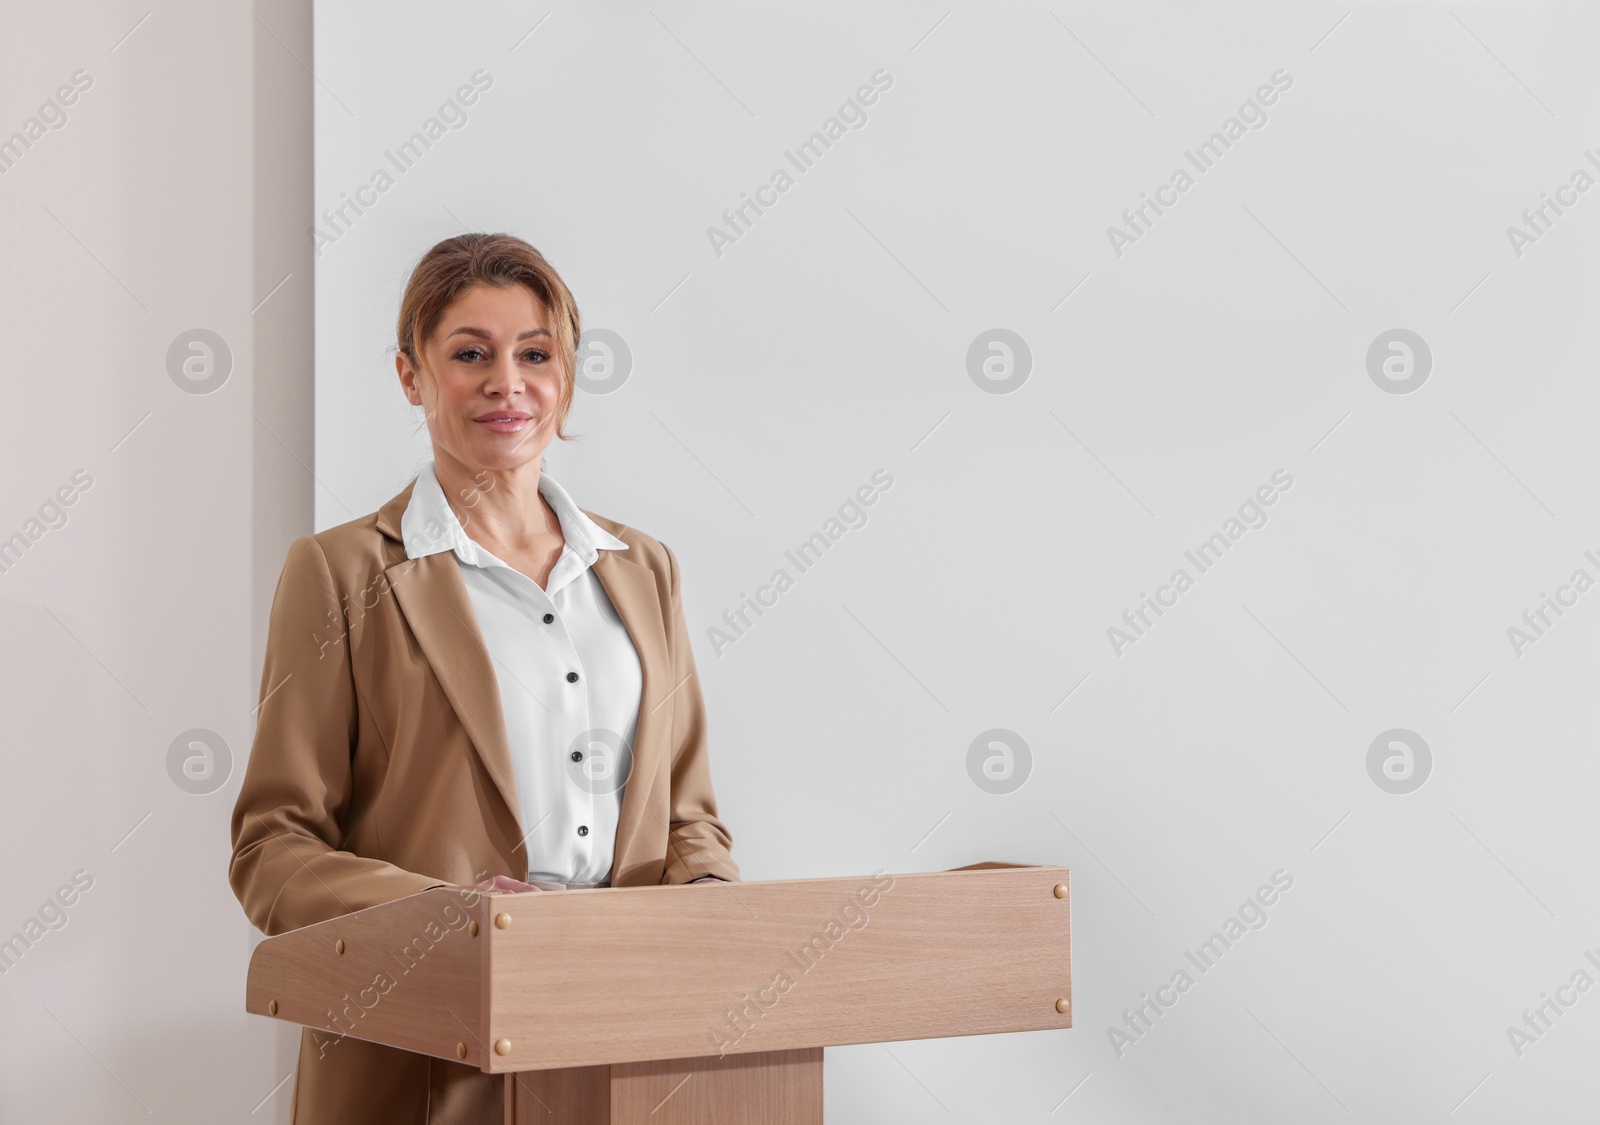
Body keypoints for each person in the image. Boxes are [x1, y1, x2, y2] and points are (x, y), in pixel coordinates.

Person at [229, 232, 739, 1125]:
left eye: (535, 353)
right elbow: (273, 851)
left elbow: (690, 814)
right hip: (428, 1048)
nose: (509, 382)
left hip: (630, 1034)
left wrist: (707, 908)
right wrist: (447, 912)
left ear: (568, 375)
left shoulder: (643, 568)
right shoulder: (341, 574)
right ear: (411, 376)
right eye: (470, 353)